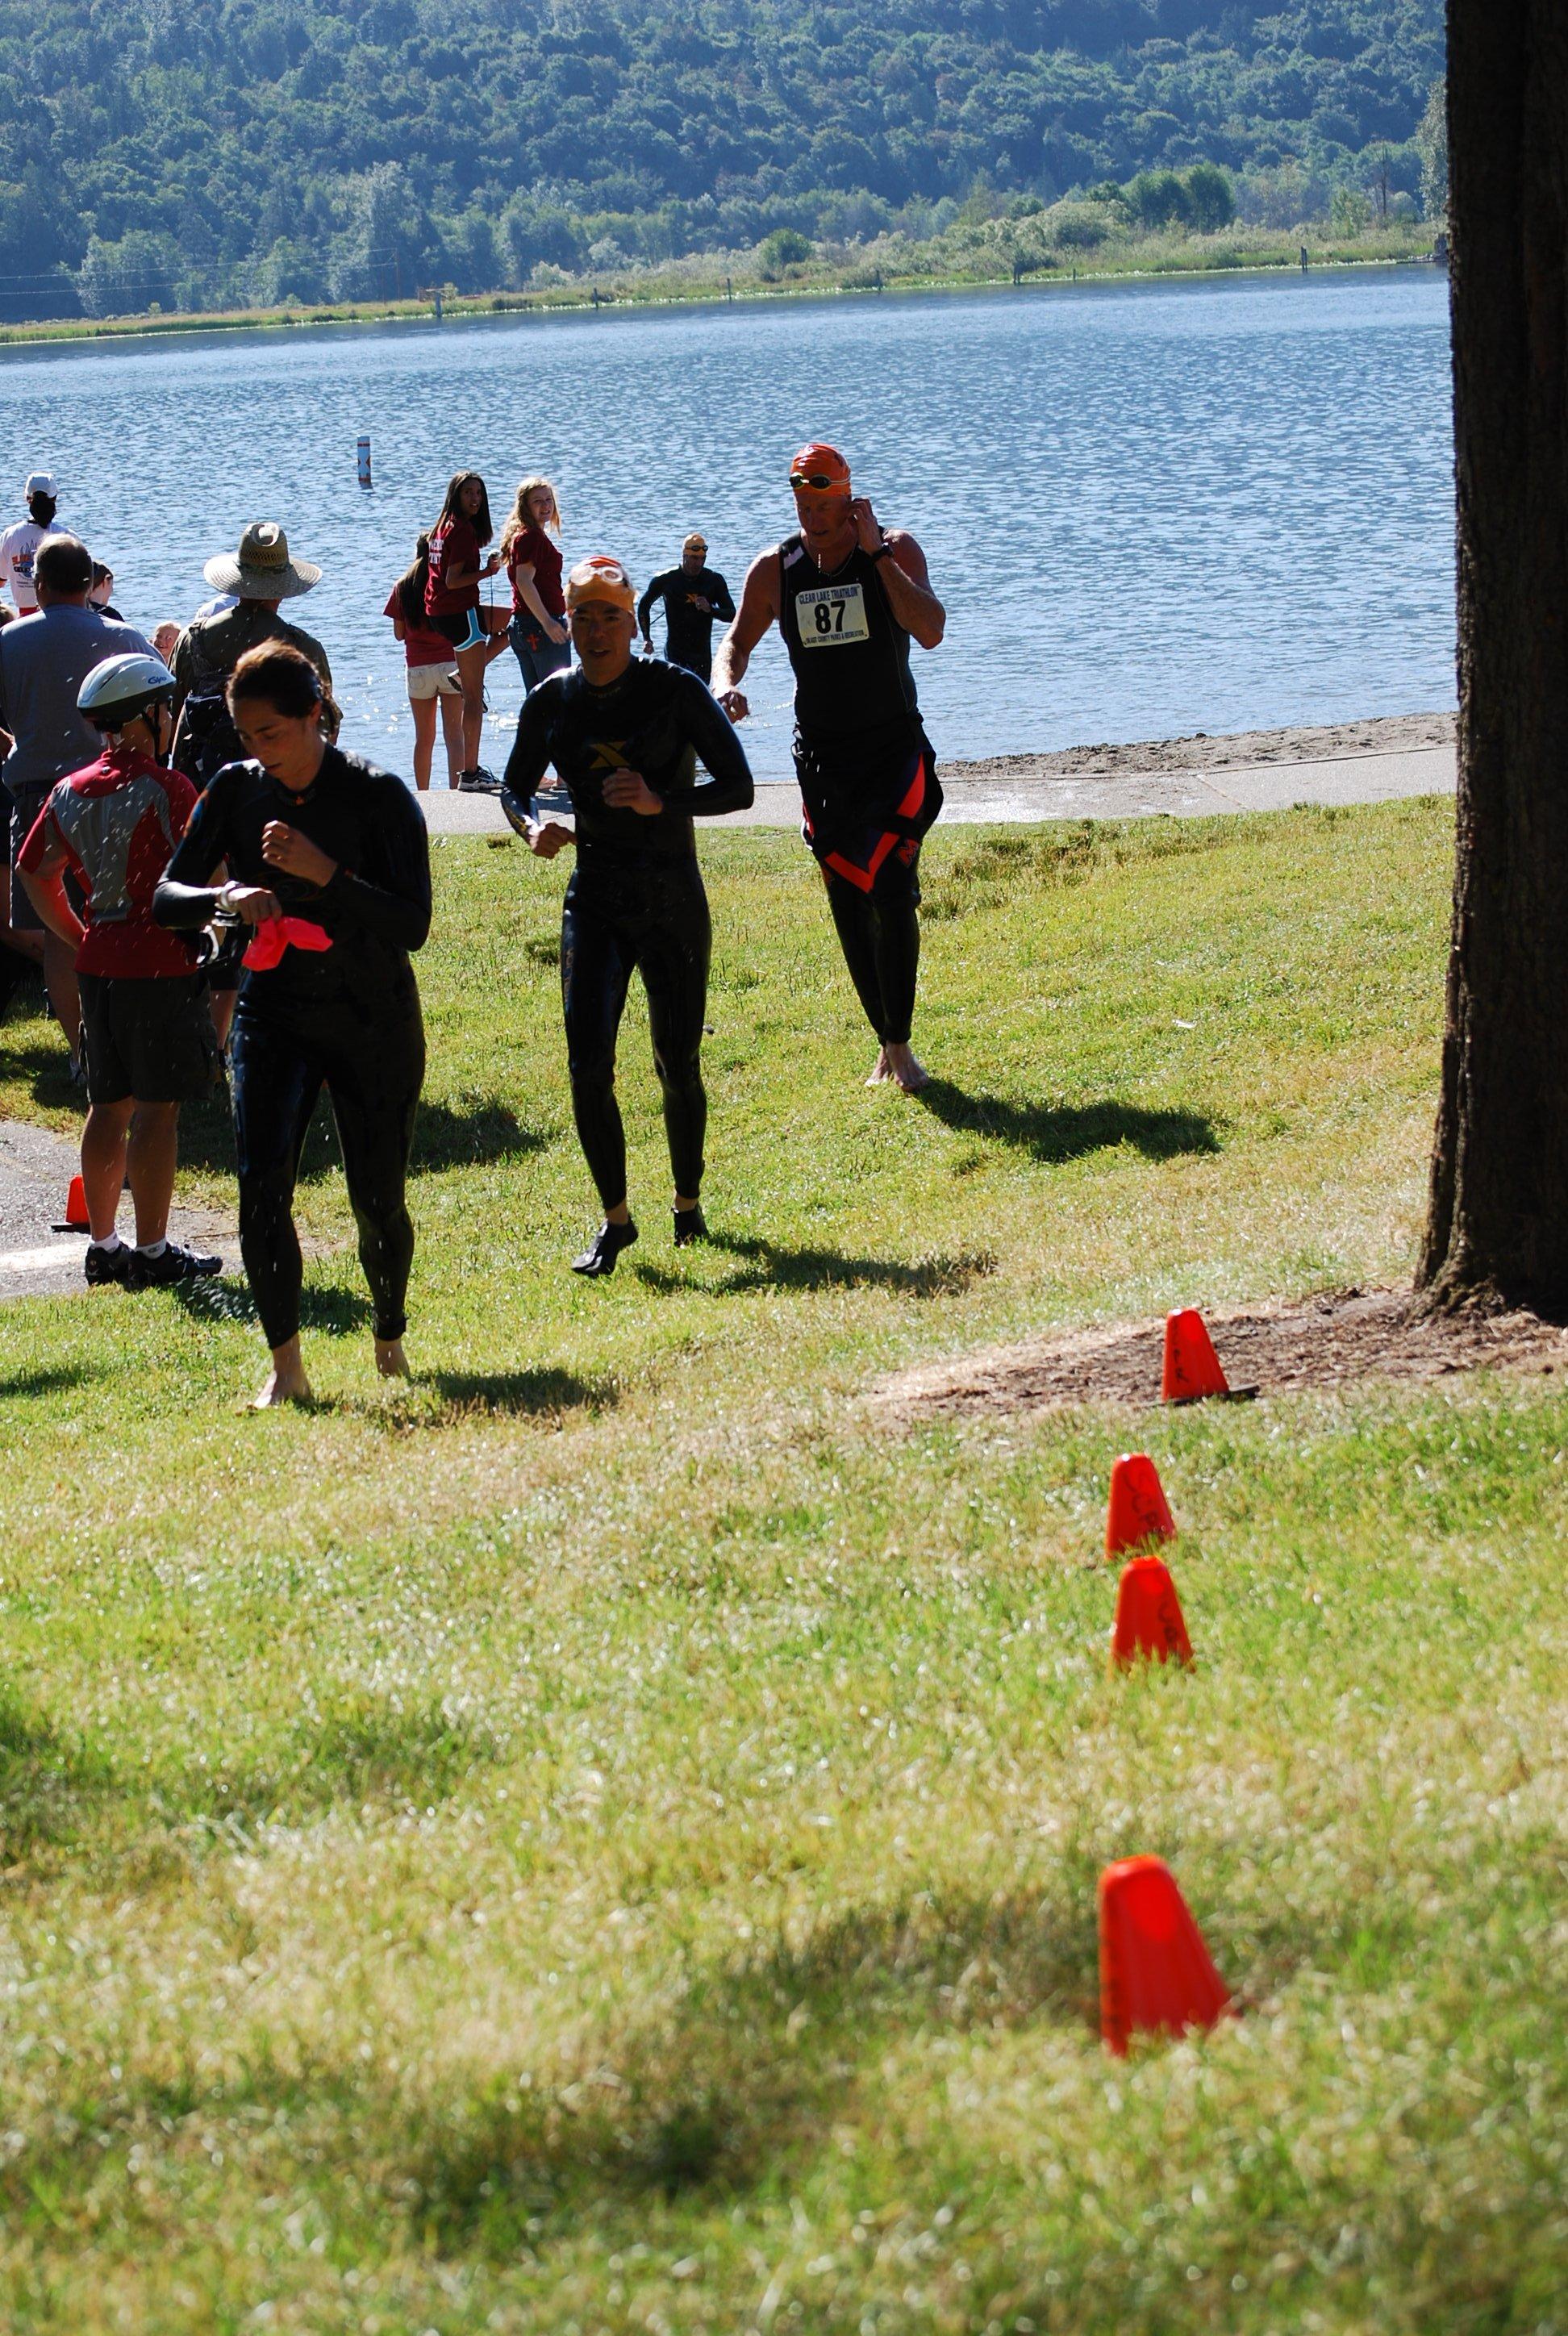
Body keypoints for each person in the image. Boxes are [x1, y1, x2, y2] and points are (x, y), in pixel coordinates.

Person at [155, 644, 431, 1408]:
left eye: (270, 733)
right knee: (262, 1188)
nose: (256, 750)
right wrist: (228, 896)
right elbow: (166, 893)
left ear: (315, 716)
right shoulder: (236, 789)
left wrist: (326, 876)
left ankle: (389, 1336)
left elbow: (413, 924)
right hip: (274, 1013)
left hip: (371, 1014)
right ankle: (287, 1367)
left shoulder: (377, 795)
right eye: (245, 735)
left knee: (377, 1197)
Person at [500, 556, 754, 1275]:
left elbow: (738, 787)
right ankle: (615, 1221)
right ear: (569, 624)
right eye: (582, 617)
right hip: (597, 898)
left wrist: (659, 801)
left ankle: (687, 1203)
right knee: (587, 1068)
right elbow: (514, 788)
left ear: (633, 623)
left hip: (671, 895)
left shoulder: (674, 691)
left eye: (610, 616)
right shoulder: (552, 700)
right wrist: (529, 827)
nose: (595, 631)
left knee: (677, 1062)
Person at [713, 443, 945, 1093]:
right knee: (848, 899)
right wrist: (725, 683)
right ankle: (888, 1044)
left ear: (849, 499)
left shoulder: (893, 549)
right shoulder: (778, 568)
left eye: (825, 504)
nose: (814, 517)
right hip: (823, 761)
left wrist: (874, 554)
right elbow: (734, 640)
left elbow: (930, 629)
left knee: (894, 893)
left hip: (894, 750)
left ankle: (900, 1045)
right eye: (804, 504)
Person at [17, 653, 221, 1290]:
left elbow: (33, 871)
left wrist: (79, 934)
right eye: (167, 708)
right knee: (159, 1112)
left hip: (98, 968)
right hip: (160, 968)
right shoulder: (170, 788)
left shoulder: (69, 790)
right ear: (149, 717)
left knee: (107, 1107)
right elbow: (208, 876)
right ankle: (155, 1253)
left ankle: (104, 1246)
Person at [0, 533, 156, 1069]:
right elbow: (163, 708)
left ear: (38, 586)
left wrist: (17, 746)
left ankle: (79, 1052)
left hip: (39, 796)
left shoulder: (9, 643)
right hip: (116, 791)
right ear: (90, 583)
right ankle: (132, 1035)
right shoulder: (127, 637)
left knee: (57, 927)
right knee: (125, 912)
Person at [170, 521, 332, 790]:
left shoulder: (192, 639)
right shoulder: (303, 649)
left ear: (237, 578)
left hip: (203, 791)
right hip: (278, 792)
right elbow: (326, 732)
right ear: (283, 587)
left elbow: (172, 719)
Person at [424, 472, 503, 790]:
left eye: (478, 494)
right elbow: (453, 580)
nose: (474, 499)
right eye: (468, 493)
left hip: (439, 613)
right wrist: (487, 571)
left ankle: (460, 674)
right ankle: (470, 773)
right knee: (473, 697)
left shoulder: (441, 527)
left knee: (472, 685)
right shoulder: (461, 530)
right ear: (455, 496)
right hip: (460, 612)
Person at [385, 536, 465, 791]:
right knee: (454, 736)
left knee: (424, 738)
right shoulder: (446, 585)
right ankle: (458, 793)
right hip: (450, 665)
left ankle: (423, 794)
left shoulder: (402, 586)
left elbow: (399, 634)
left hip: (418, 668)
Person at [499, 477, 570, 694]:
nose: (546, 505)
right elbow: (524, 581)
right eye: (538, 501)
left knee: (537, 702)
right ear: (525, 506)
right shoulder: (532, 538)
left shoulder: (522, 536)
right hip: (541, 628)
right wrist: (548, 622)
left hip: (523, 626)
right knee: (558, 700)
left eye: (549, 499)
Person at [637, 534, 736, 676]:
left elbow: (732, 614)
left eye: (703, 559)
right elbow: (644, 605)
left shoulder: (714, 580)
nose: (699, 564)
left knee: (698, 697)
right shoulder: (666, 580)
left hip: (702, 656)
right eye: (694, 558)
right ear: (684, 556)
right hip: (675, 654)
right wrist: (647, 638)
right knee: (678, 694)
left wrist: (711, 610)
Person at [0, 473, 62, 620]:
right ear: (55, 498)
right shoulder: (67, 537)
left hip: (23, 621)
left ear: (28, 499)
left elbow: (1, 580)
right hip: (62, 620)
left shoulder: (10, 535)